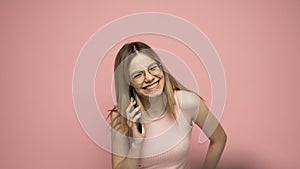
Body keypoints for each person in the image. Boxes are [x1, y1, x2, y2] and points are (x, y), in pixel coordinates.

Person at [109, 41, 227, 169]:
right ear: (129, 82)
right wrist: (136, 144)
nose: (149, 78)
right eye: (138, 75)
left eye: (153, 68)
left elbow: (219, 139)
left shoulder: (188, 103)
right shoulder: (120, 117)